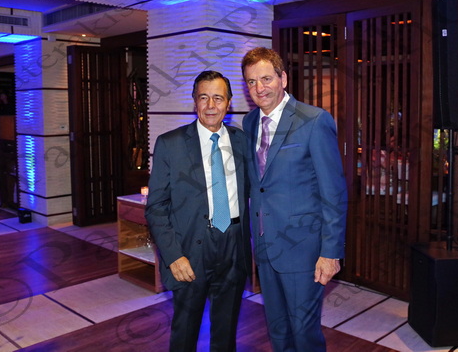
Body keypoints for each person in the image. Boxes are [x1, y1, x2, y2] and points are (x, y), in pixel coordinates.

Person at [241, 47, 348, 351]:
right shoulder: (250, 122)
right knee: (277, 329)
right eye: (251, 82)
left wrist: (330, 252)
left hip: (303, 250)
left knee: (304, 334)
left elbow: (334, 192)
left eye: (266, 79)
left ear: (283, 78)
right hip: (265, 247)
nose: (259, 88)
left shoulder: (313, 120)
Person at [145, 70, 251, 352]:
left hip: (234, 246)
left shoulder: (242, 142)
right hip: (190, 250)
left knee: (226, 330)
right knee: (185, 330)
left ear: (228, 103)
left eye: (218, 98)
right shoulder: (170, 144)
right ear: (195, 102)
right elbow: (156, 207)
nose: (211, 105)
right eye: (204, 98)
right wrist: (173, 256)